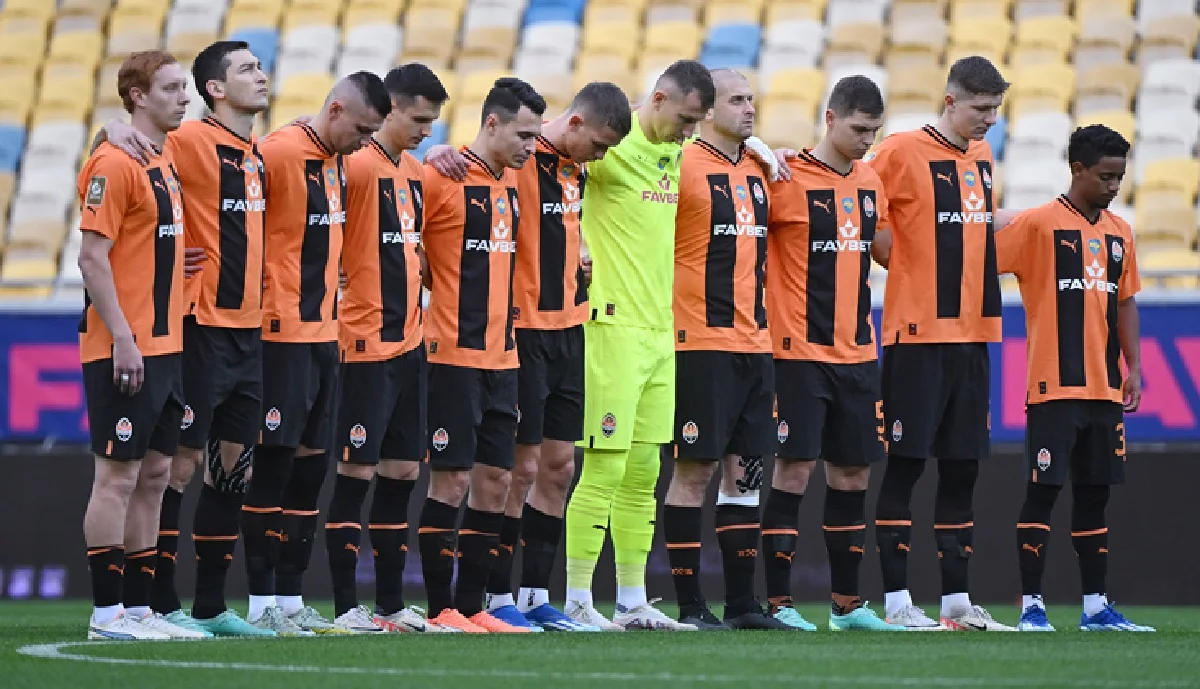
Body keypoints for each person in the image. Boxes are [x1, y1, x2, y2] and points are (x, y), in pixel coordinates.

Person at [426, 81, 632, 632]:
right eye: (599, 144)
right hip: (522, 333)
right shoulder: (518, 157)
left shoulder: (574, 170)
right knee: (520, 469)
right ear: (576, 123)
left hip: (570, 328)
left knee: (560, 467)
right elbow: (463, 167)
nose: (601, 156)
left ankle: (537, 593)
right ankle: (495, 594)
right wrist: (435, 151)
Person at [97, 40, 275, 638]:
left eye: (260, 66)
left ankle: (210, 606)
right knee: (175, 466)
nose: (261, 75)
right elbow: (122, 142)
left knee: (233, 469)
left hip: (249, 332)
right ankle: (158, 601)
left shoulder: (255, 154)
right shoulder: (191, 139)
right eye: (247, 68)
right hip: (200, 328)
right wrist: (108, 130)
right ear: (215, 89)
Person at [560, 59, 713, 632]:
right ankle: (577, 597)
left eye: (697, 123)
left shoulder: (674, 152)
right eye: (686, 120)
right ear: (659, 99)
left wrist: (766, 152)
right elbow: (550, 149)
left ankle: (631, 600)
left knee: (646, 471)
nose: (690, 132)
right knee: (604, 466)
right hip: (611, 327)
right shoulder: (610, 148)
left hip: (658, 331)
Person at [866, 56, 1016, 631]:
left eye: (996, 110)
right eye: (981, 108)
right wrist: (908, 268)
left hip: (974, 334)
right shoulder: (900, 151)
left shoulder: (982, 156)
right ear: (950, 101)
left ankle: (956, 603)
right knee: (906, 465)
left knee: (961, 470)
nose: (990, 120)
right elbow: (867, 218)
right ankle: (897, 602)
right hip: (917, 336)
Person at [239, 72, 391, 635]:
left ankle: (290, 598)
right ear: (335, 110)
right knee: (273, 467)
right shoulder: (279, 153)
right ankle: (259, 604)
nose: (365, 142)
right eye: (361, 129)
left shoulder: (336, 161)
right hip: (279, 334)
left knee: (309, 473)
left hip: (325, 334)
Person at [995, 125, 1154, 633]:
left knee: (1094, 496)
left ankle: (1095, 608)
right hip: (1053, 388)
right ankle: (1031, 606)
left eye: (1120, 177)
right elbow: (981, 265)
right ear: (1077, 169)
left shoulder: (1120, 231)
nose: (1114, 186)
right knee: (1042, 493)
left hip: (1104, 388)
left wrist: (1134, 366)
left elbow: (1125, 302)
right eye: (1105, 176)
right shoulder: (1039, 224)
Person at [762, 75, 906, 632]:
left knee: (852, 474)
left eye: (874, 131)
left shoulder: (870, 181)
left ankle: (847, 605)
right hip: (797, 352)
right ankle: (779, 603)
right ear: (830, 118)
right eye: (858, 129)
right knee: (794, 469)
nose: (867, 141)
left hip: (858, 353)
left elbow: (887, 249)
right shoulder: (785, 176)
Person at [77, 50, 202, 640]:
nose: (185, 97)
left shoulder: (163, 156)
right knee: (117, 478)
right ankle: (106, 615)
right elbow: (91, 259)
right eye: (172, 88)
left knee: (154, 475)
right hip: (124, 346)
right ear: (137, 97)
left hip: (167, 345)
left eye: (185, 87)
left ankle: (141, 610)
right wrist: (124, 340)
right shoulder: (113, 160)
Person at [322, 63, 451, 634]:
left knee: (401, 472)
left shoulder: (416, 172)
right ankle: (345, 606)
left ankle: (391, 604)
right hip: (362, 342)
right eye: (419, 119)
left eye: (432, 122)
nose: (426, 131)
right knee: (356, 471)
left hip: (409, 342)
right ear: (389, 109)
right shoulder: (353, 164)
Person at [416, 77, 545, 634]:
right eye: (523, 135)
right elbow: (401, 239)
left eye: (535, 136)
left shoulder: (513, 177)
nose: (531, 146)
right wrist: (431, 152)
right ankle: (440, 608)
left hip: (503, 357)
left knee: (496, 481)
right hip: (451, 355)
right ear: (492, 123)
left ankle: (473, 606)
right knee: (450, 483)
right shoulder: (440, 176)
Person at [662, 69, 789, 631]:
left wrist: (771, 153)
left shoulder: (761, 169)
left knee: (747, 473)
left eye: (751, 99)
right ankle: (690, 604)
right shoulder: (681, 164)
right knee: (694, 470)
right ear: (707, 110)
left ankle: (742, 605)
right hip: (698, 342)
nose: (749, 109)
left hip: (755, 343)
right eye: (737, 100)